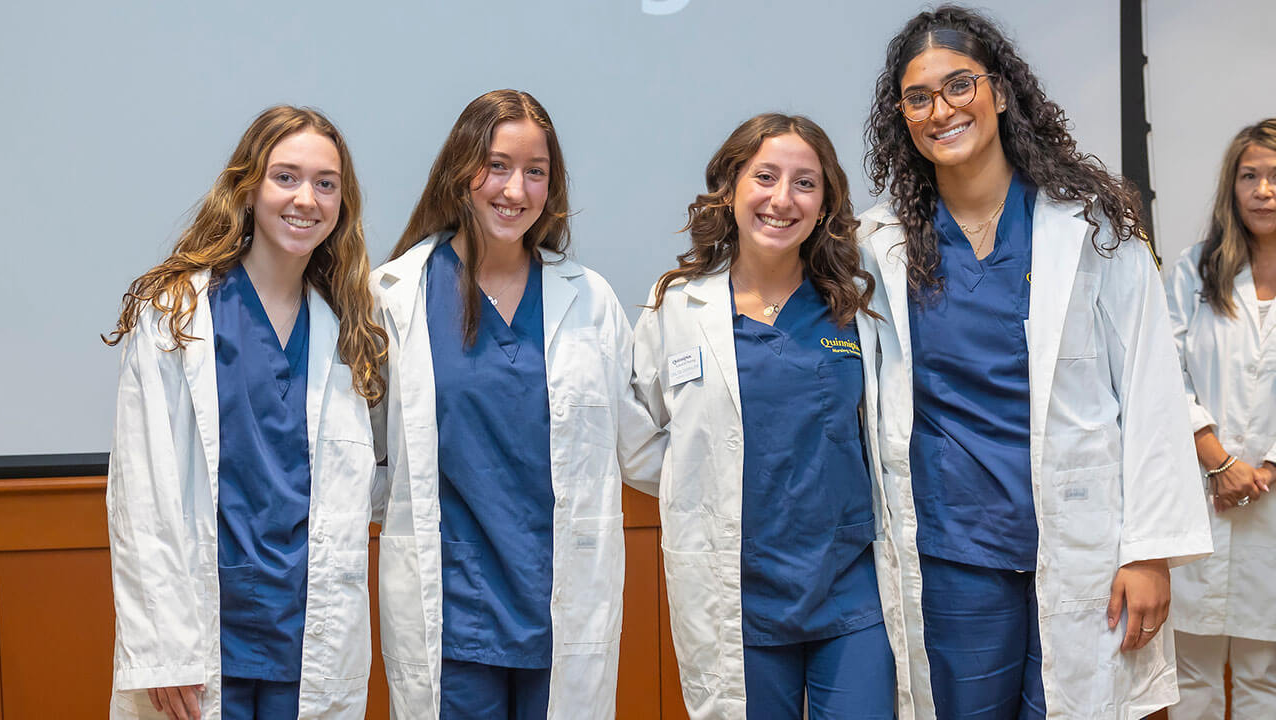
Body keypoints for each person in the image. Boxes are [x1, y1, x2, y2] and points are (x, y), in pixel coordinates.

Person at [860, 6, 1213, 718]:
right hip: (956, 552)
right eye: (918, 97)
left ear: (998, 90)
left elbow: (1150, 386)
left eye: (959, 85)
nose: (941, 110)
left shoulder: (1091, 228)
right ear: (902, 116)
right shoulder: (881, 245)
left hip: (1084, 539)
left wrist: (1149, 553)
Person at [370, 89, 662, 720]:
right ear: (460, 171)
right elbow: (361, 455)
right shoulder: (396, 297)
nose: (515, 189)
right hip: (452, 615)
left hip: (559, 610)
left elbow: (637, 444)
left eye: (536, 172)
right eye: (496, 166)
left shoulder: (588, 299)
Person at [104, 105, 387, 720]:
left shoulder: (347, 330)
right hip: (206, 641)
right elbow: (143, 491)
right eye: (286, 176)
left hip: (307, 638)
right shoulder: (177, 315)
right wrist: (163, 650)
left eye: (325, 183)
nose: (305, 198)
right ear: (249, 186)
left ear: (342, 201)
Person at [629, 113, 908, 720]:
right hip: (739, 596)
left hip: (849, 590)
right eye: (765, 176)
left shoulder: (855, 304)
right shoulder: (677, 306)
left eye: (805, 183)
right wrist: (703, 482)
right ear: (729, 190)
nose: (783, 199)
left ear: (825, 202)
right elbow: (637, 437)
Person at [1166, 118, 1276, 719]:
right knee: (1194, 678)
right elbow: (1165, 370)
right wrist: (1220, 460)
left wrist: (1264, 468)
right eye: (1250, 176)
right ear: (1232, 188)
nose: (1263, 190)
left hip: (1271, 505)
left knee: (1265, 677)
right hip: (1201, 492)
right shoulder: (1194, 270)